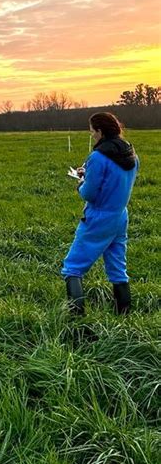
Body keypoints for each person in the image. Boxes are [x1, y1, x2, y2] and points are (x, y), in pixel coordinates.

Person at [62, 112, 139, 315]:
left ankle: (77, 323)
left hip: (98, 217)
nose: (92, 135)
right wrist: (88, 172)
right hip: (120, 216)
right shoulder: (130, 153)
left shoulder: (98, 157)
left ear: (100, 131)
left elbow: (90, 193)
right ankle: (124, 318)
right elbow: (115, 181)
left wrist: (81, 183)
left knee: (72, 267)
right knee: (117, 270)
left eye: (92, 131)